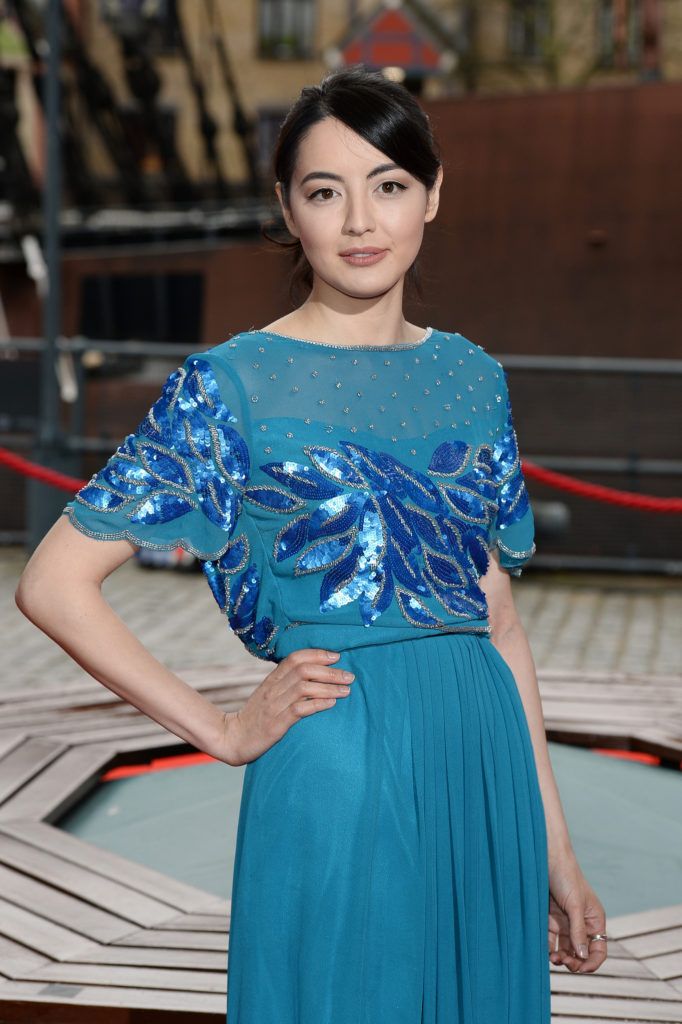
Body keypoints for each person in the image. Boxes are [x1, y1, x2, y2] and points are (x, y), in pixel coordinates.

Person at [15, 65, 607, 1023]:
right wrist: (222, 730)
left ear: (433, 195)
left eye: (390, 185)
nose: (362, 221)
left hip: (481, 763)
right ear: (288, 210)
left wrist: (559, 858)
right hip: (337, 762)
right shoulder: (230, 384)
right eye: (326, 191)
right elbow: (52, 582)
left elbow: (499, 622)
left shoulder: (473, 376)